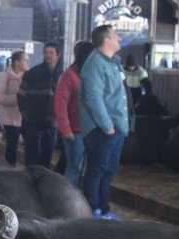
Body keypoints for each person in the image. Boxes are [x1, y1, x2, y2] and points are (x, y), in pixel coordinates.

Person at [79, 25, 135, 221]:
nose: (119, 37)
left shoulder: (112, 62)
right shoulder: (95, 64)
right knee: (98, 168)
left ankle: (103, 209)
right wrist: (107, 127)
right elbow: (93, 99)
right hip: (101, 128)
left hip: (115, 126)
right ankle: (92, 211)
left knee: (110, 168)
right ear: (106, 40)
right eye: (115, 35)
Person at [53, 40, 95, 185]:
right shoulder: (69, 76)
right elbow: (60, 104)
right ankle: (70, 200)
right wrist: (65, 129)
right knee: (74, 168)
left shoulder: (89, 74)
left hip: (89, 130)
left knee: (82, 167)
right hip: (75, 132)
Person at [18, 41, 63, 167]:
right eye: (46, 52)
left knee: (47, 154)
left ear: (58, 55)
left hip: (52, 122)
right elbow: (21, 94)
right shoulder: (32, 73)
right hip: (33, 120)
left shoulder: (62, 75)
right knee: (32, 155)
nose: (48, 55)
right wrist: (24, 112)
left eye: (51, 52)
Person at [0, 50, 29, 166]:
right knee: (12, 146)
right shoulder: (4, 76)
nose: (28, 62)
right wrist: (19, 98)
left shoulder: (28, 76)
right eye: (25, 60)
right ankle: (10, 170)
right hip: (10, 118)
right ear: (17, 62)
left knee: (30, 145)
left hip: (26, 116)